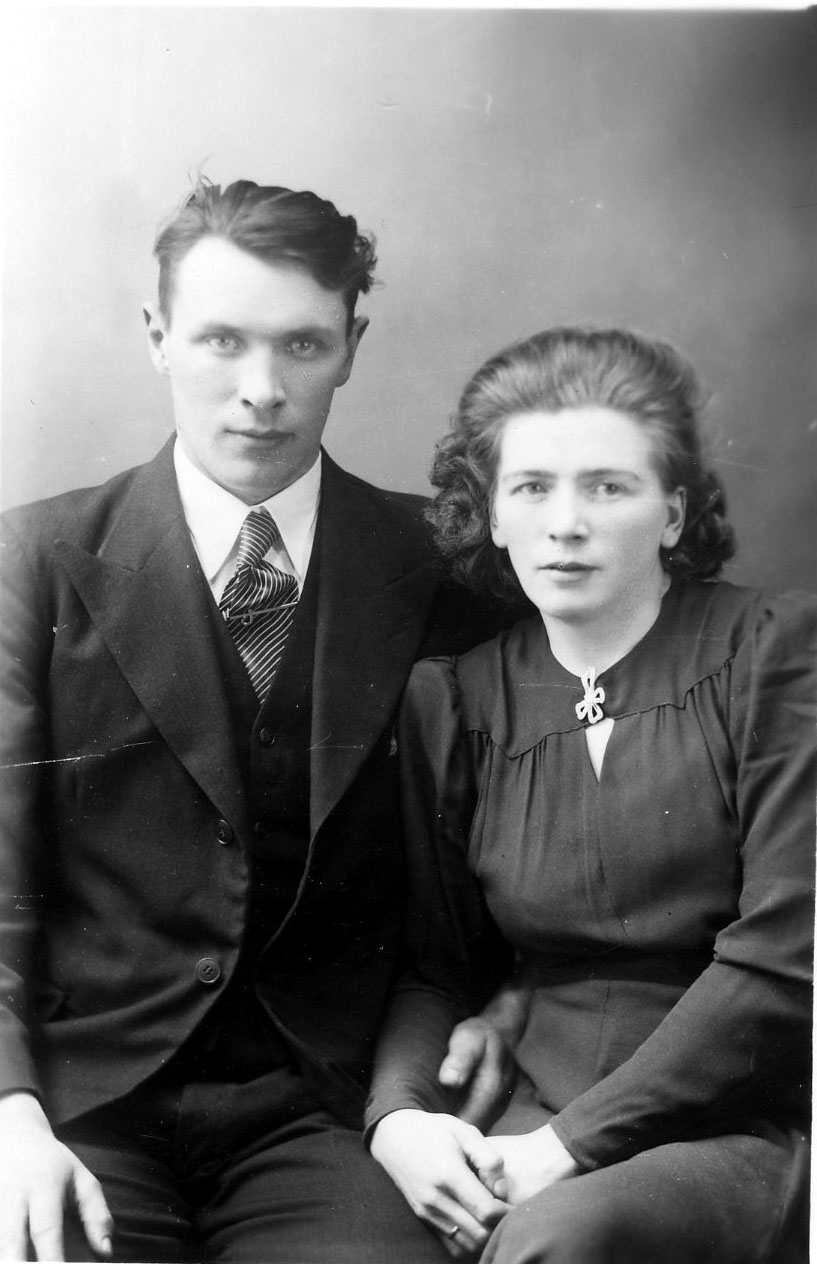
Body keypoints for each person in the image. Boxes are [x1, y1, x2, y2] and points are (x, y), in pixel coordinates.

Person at [0, 177, 516, 1263]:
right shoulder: (31, 564)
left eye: (303, 345)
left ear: (353, 346)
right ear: (157, 336)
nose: (261, 391)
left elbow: (527, 848)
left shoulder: (451, 568)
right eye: (221, 341)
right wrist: (10, 1113)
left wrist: (511, 1002)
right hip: (82, 1100)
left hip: (328, 1108)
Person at [367, 327, 815, 1262]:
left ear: (673, 514)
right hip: (528, 1109)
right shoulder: (455, 699)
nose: (564, 523)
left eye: (607, 487)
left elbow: (786, 957)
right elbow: (436, 967)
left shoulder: (769, 651)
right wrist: (399, 1117)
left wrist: (564, 1149)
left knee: (556, 1240)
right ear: (493, 516)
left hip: (727, 1120)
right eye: (531, 488)